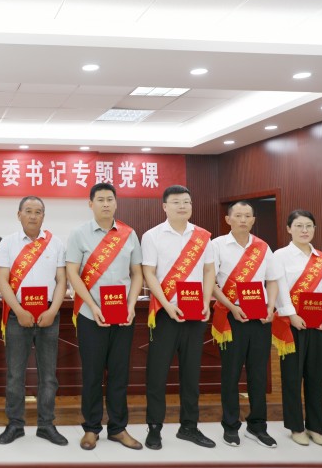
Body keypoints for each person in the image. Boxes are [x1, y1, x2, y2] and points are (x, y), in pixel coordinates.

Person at [66, 183, 143, 451]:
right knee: (92, 374)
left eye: (110, 199)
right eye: (100, 199)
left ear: (116, 203)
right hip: (90, 315)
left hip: (123, 315)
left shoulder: (129, 234)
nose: (106, 204)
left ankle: (118, 428)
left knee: (119, 374)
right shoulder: (79, 234)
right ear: (91, 204)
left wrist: (131, 305)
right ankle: (91, 428)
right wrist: (92, 305)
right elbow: (72, 273)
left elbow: (137, 273)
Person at [141, 185, 216, 450]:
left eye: (186, 201)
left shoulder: (203, 236)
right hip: (164, 314)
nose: (182, 206)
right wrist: (166, 304)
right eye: (176, 202)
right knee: (157, 374)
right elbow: (149, 273)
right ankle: (154, 428)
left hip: (195, 314)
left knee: (191, 373)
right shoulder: (152, 236)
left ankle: (189, 427)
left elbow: (209, 271)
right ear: (165, 206)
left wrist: (206, 301)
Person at [0, 196, 68, 446]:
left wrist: (53, 310)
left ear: (43, 216)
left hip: (49, 315)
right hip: (18, 316)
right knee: (15, 374)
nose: (33, 216)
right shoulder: (8, 243)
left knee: (48, 376)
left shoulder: (55, 243)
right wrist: (19, 310)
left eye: (38, 212)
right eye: (28, 211)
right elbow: (2, 280)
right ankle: (15, 424)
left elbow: (61, 280)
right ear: (19, 215)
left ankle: (46, 425)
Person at [211, 201, 280, 448]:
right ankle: (230, 426)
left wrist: (271, 307)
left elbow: (272, 280)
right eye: (238, 215)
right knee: (231, 374)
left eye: (247, 216)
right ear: (228, 219)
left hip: (260, 317)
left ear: (253, 220)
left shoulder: (263, 247)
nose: (242, 220)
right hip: (231, 318)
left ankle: (257, 426)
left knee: (258, 374)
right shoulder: (217, 245)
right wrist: (232, 307)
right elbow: (211, 283)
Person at [272, 210, 322, 447]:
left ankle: (315, 427)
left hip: (319, 324)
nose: (304, 230)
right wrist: (291, 314)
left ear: (314, 229)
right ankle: (296, 427)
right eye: (299, 226)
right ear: (289, 229)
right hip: (291, 325)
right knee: (292, 377)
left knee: (316, 377)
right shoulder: (280, 256)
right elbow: (279, 287)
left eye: (309, 226)